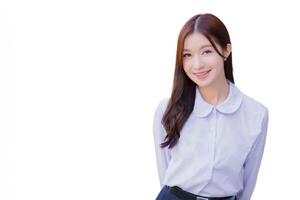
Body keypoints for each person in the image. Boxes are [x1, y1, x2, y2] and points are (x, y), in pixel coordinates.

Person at [152, 13, 269, 200]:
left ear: (226, 50)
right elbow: (165, 173)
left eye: (206, 51)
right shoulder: (167, 109)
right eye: (187, 55)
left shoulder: (256, 114)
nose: (197, 64)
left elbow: (248, 180)